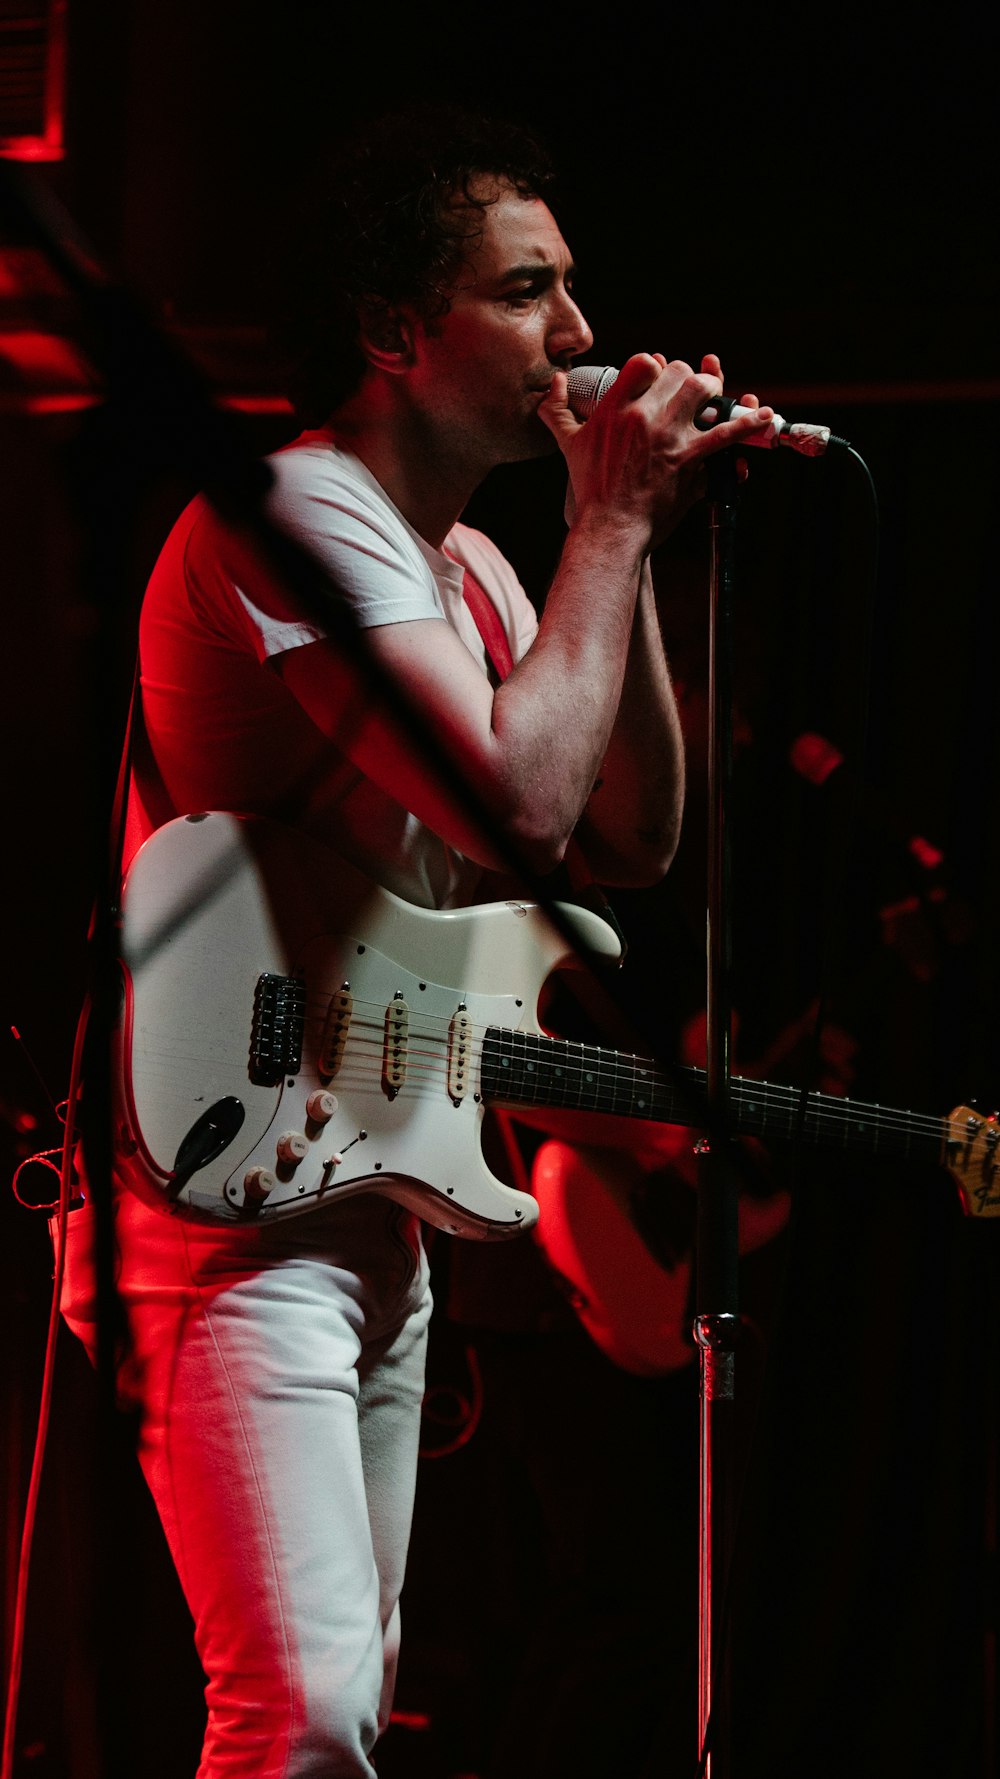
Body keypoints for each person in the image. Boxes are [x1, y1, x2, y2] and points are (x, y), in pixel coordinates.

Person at [60, 105, 775, 1778]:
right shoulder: (295, 515)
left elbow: (632, 840)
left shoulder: (465, 572)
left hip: (366, 1192)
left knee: (346, 1719)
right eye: (531, 291)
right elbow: (522, 807)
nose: (584, 338)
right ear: (397, 331)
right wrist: (600, 528)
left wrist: (638, 540)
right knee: (296, 1721)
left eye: (573, 290)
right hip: (220, 1205)